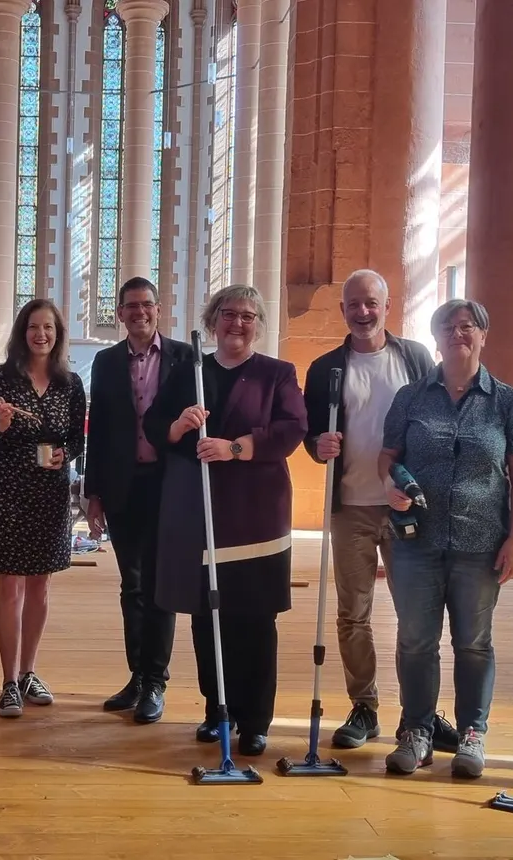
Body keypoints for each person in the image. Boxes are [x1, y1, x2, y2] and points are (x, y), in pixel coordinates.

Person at [142, 285, 308, 756]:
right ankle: (219, 710)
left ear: (259, 325)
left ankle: (255, 719)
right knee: (209, 614)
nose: (237, 323)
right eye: (229, 314)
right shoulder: (190, 371)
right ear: (213, 320)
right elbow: (155, 425)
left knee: (255, 618)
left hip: (257, 515)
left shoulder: (277, 373)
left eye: (248, 316)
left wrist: (234, 448)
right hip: (205, 512)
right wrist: (181, 425)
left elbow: (292, 428)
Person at [301, 269, 460, 751]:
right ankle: (365, 706)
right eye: (353, 304)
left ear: (387, 306)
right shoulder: (325, 368)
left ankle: (421, 714)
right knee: (353, 615)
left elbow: (435, 422)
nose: (362, 311)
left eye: (371, 302)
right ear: (343, 310)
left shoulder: (414, 358)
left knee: (417, 615)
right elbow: (311, 433)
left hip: (404, 506)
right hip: (350, 506)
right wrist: (318, 445)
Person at [378, 298, 513, 779]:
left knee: (473, 643)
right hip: (415, 542)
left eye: (468, 326)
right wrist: (390, 485)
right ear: (436, 337)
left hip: (480, 542)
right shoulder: (410, 397)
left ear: (483, 335)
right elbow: (388, 458)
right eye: (447, 326)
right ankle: (417, 731)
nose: (457, 333)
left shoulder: (507, 402)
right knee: (415, 641)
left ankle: (472, 734)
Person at [83, 277, 191, 723]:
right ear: (120, 313)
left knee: (160, 584)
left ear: (159, 309)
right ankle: (137, 676)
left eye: (146, 304)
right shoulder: (106, 361)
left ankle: (155, 681)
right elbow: (98, 430)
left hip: (168, 484)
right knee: (131, 585)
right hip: (123, 485)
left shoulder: (185, 357)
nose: (139, 312)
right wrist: (93, 494)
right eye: (130, 305)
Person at [0, 298, 88, 718]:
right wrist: (0, 423)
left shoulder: (70, 383)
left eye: (48, 328)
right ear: (22, 333)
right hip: (9, 486)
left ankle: (28, 672)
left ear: (57, 335)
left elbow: (77, 438)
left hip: (51, 491)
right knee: (11, 585)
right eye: (33, 327)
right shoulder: (1, 378)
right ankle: (8, 682)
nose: (41, 334)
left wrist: (65, 454)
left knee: (41, 584)